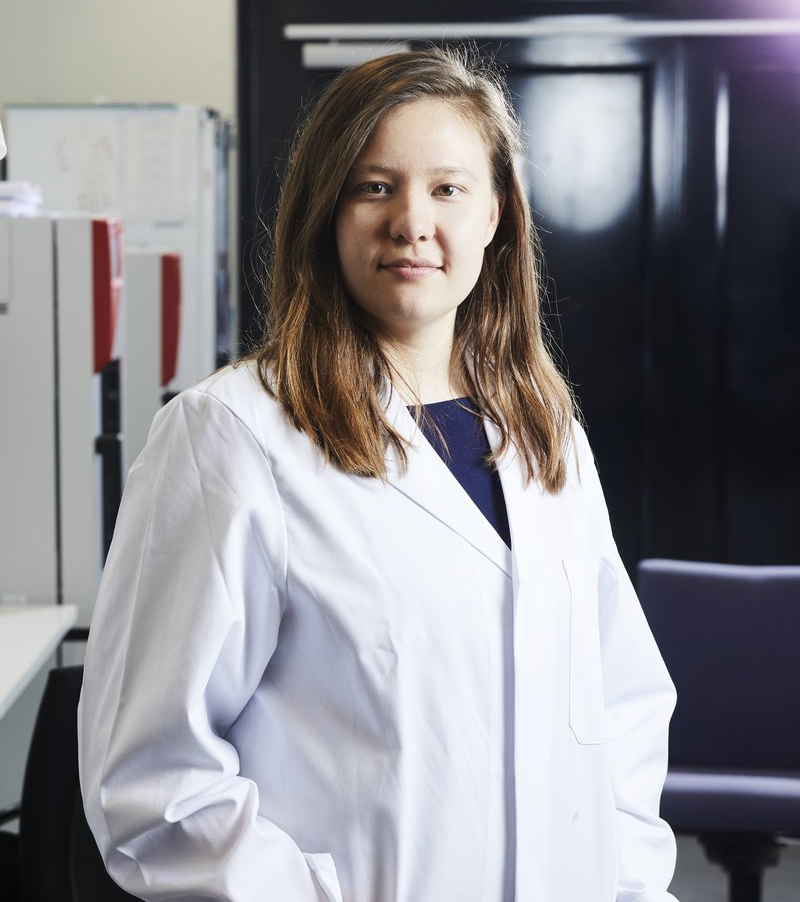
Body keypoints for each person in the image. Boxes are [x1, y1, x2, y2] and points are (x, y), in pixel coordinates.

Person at [79, 45, 679, 902]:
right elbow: (152, 782)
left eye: (447, 188)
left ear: (498, 215)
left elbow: (620, 708)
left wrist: (628, 885)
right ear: (327, 208)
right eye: (373, 186)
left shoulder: (545, 431)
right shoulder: (231, 437)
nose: (411, 222)